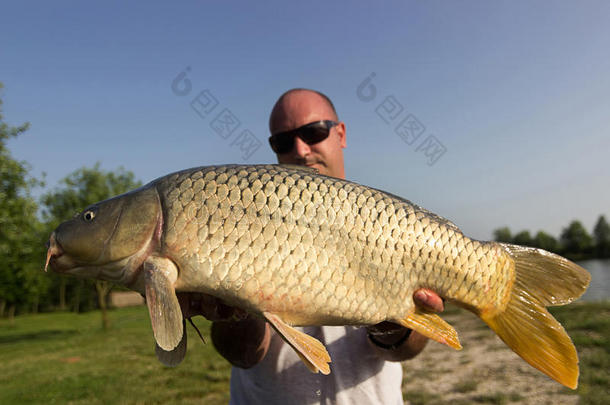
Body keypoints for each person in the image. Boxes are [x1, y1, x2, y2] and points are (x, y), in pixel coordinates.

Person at [181, 88, 444, 404]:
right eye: (283, 141)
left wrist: (393, 324)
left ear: (341, 133)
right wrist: (233, 311)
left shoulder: (391, 225)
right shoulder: (245, 219)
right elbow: (244, 355)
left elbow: (406, 350)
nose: (301, 150)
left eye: (313, 132)